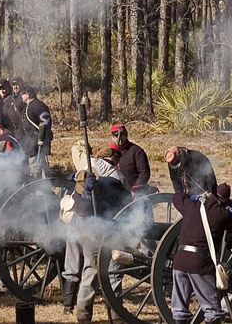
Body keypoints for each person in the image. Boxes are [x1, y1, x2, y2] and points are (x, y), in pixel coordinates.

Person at [60, 168, 131, 323]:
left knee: (114, 274)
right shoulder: (80, 196)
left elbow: (128, 200)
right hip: (93, 234)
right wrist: (87, 192)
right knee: (91, 272)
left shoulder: (111, 184)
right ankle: (84, 315)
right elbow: (85, 212)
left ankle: (116, 314)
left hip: (115, 231)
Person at [171, 183, 232, 324]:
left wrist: (191, 196)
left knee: (179, 310)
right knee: (212, 310)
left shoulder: (191, 206)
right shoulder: (222, 214)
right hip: (200, 263)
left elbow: (176, 197)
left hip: (179, 261)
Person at [109, 123, 151, 197]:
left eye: (122, 135)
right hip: (114, 190)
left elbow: (144, 173)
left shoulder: (137, 151)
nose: (119, 138)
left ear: (126, 135)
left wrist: (136, 188)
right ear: (112, 137)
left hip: (134, 190)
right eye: (116, 136)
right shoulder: (109, 152)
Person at [21, 85, 52, 178]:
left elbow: (45, 123)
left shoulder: (39, 106)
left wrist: (42, 140)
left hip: (38, 143)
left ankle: (43, 188)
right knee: (34, 167)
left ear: (28, 95)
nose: (21, 96)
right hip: (31, 143)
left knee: (38, 167)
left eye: (23, 94)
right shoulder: (29, 106)